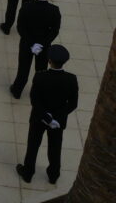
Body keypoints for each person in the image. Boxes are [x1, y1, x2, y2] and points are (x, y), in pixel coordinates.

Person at [16, 44, 78, 185]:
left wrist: (46, 117)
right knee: (55, 148)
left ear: (49, 60)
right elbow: (72, 104)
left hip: (39, 119)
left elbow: (35, 100)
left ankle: (28, 173)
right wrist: (56, 118)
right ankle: (53, 175)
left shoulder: (40, 77)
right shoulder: (71, 79)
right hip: (58, 122)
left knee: (33, 146)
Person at [10, 0, 60, 99]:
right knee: (41, 71)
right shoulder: (54, 11)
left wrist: (32, 44)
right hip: (44, 46)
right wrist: (42, 44)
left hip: (27, 44)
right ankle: (36, 93)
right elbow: (54, 31)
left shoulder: (26, 7)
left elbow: (21, 28)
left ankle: (17, 90)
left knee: (23, 69)